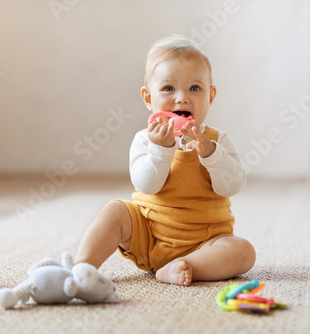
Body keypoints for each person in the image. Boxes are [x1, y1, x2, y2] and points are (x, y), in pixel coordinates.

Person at [74, 35, 255, 286]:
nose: (182, 98)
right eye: (169, 88)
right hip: (149, 234)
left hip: (205, 241)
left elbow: (232, 186)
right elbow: (147, 185)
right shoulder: (145, 140)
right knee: (115, 210)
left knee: (243, 251)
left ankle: (183, 266)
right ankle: (81, 267)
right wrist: (161, 149)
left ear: (211, 96)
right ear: (148, 99)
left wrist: (210, 153)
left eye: (195, 88)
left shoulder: (217, 141)